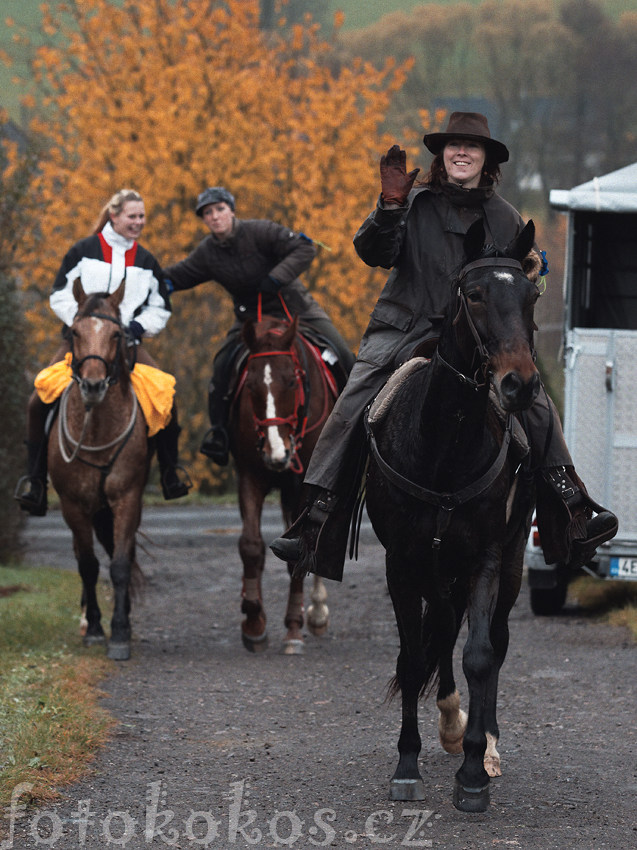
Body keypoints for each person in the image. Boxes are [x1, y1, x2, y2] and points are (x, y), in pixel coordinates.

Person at [270, 111, 618, 580]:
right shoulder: (411, 203)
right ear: (441, 155)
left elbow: (522, 273)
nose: (461, 152)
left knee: (534, 401)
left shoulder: (506, 216)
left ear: (486, 160)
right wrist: (387, 210)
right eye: (453, 145)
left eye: (471, 147)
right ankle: (315, 521)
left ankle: (573, 504)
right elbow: (372, 252)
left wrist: (530, 267)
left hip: (479, 341)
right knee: (353, 405)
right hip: (405, 328)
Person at [15, 188, 191, 516]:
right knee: (38, 399)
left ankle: (170, 472)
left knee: (166, 396)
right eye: (132, 216)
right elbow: (59, 294)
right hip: (79, 344)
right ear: (114, 216)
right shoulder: (82, 251)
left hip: (127, 345)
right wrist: (82, 324)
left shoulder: (147, 260)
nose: (138, 222)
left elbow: (160, 308)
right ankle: (36, 480)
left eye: (141, 217)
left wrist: (135, 328)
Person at [163, 186, 355, 465]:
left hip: (295, 309)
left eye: (219, 209)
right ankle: (219, 434)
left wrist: (276, 278)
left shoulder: (261, 231)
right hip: (250, 321)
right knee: (221, 366)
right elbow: (177, 276)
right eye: (207, 213)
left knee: (342, 352)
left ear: (231, 210)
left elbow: (305, 248)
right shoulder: (208, 253)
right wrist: (146, 276)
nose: (214, 217)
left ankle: (356, 422)